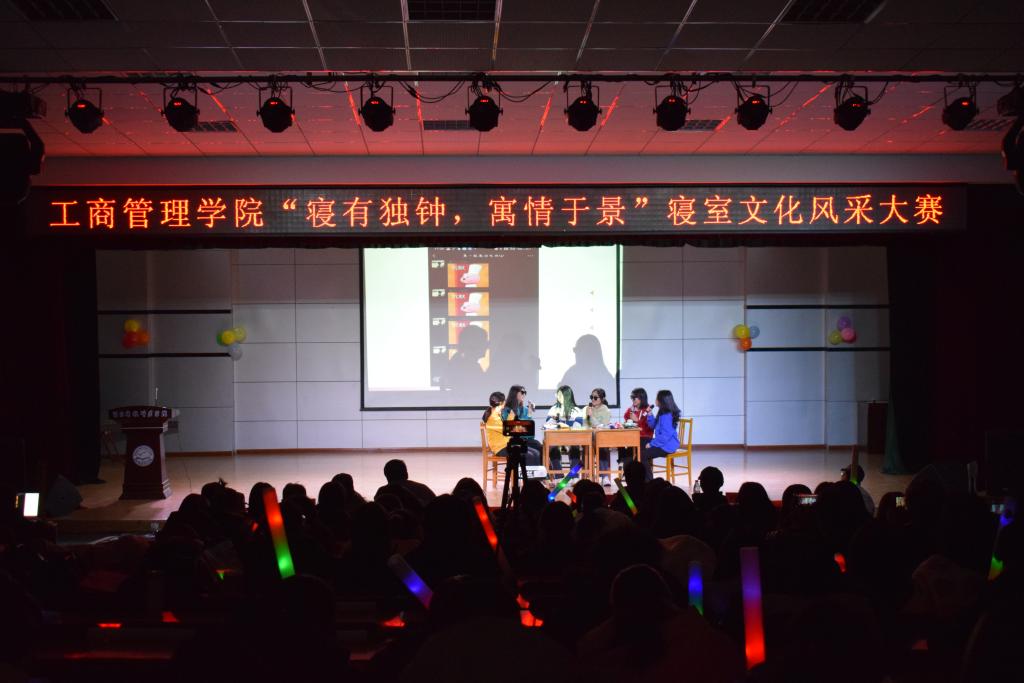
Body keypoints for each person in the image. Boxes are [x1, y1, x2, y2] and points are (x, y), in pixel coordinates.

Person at [483, 391, 540, 467]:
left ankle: (537, 474)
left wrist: (512, 413)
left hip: (507, 445)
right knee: (530, 455)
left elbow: (508, 425)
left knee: (535, 453)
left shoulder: (497, 414)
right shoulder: (493, 418)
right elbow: (508, 429)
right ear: (501, 403)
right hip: (501, 448)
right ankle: (526, 474)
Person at [642, 390, 681, 481]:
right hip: (663, 443)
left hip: (667, 446)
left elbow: (665, 436)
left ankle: (649, 481)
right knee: (643, 450)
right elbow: (653, 425)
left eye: (657, 398)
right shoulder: (662, 413)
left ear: (662, 400)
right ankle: (647, 479)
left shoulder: (666, 416)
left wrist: (651, 444)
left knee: (642, 455)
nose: (655, 400)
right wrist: (649, 414)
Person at [546, 385, 584, 473]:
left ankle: (573, 475)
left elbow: (578, 426)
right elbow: (548, 425)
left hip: (572, 439)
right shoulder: (553, 409)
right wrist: (553, 420)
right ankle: (558, 475)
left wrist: (567, 427)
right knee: (553, 448)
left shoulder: (576, 410)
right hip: (556, 439)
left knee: (575, 448)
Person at [586, 388, 615, 486]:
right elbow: (586, 424)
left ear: (602, 399)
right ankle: (585, 476)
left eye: (595, 398)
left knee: (602, 447)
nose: (592, 399)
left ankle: (604, 477)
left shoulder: (605, 410)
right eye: (591, 397)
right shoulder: (589, 409)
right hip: (589, 437)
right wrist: (588, 417)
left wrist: (591, 417)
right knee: (578, 447)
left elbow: (603, 426)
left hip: (601, 437)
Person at [623, 387, 653, 462]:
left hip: (645, 436)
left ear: (641, 398)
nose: (632, 400)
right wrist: (630, 413)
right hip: (633, 436)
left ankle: (641, 467)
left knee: (640, 452)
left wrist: (637, 420)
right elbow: (626, 418)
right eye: (631, 398)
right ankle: (627, 467)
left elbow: (648, 427)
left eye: (634, 398)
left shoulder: (647, 410)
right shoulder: (632, 408)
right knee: (623, 447)